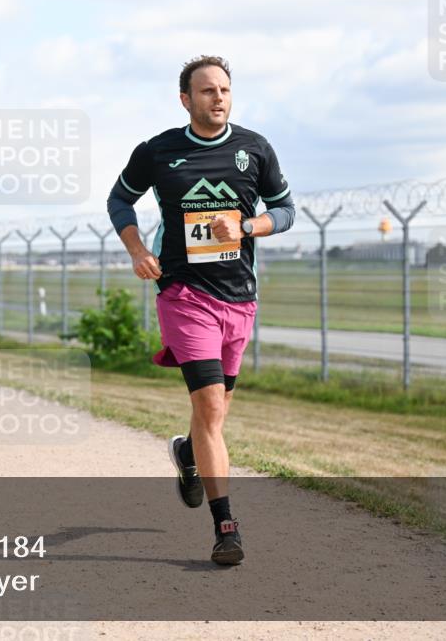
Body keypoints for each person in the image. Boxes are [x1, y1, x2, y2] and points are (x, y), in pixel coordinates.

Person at [107, 56, 295, 566]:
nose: (218, 98)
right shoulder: (158, 151)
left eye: (225, 90)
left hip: (240, 298)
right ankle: (226, 528)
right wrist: (136, 250)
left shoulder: (255, 149)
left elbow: (286, 211)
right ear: (186, 99)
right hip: (184, 296)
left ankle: (189, 454)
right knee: (211, 408)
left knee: (216, 414)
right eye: (207, 90)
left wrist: (247, 227)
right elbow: (119, 201)